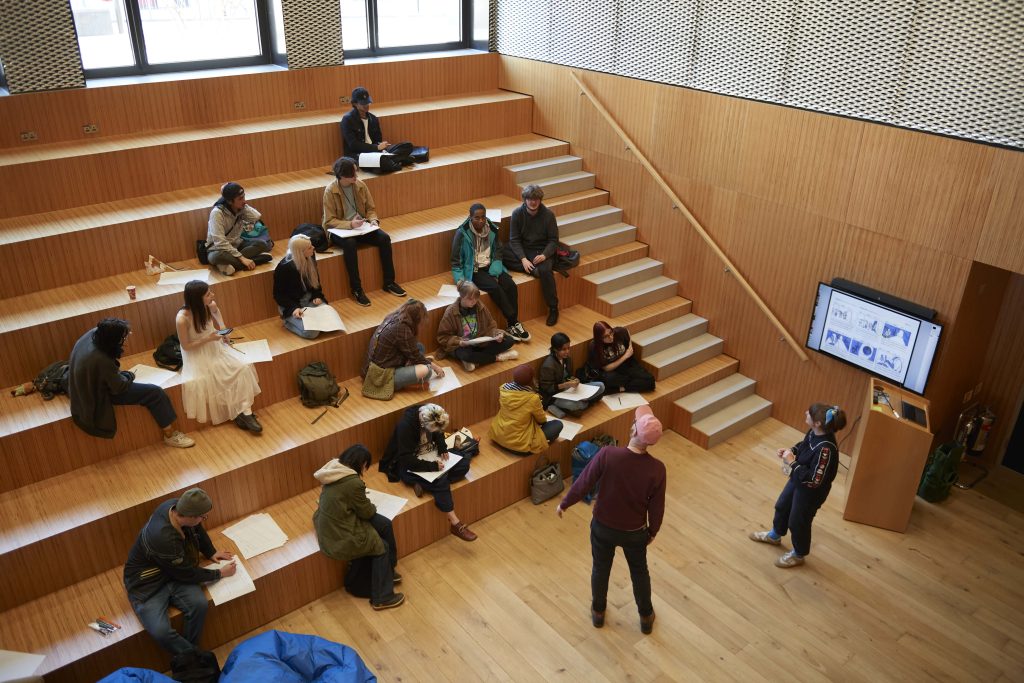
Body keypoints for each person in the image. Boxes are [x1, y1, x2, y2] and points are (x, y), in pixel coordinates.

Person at [555, 405, 666, 634]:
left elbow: (584, 482)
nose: (634, 423)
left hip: (603, 528)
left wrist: (565, 503)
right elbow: (657, 506)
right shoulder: (657, 469)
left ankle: (598, 612)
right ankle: (645, 616)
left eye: (636, 422)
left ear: (635, 432)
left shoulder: (608, 454)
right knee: (639, 572)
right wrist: (653, 531)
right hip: (635, 532)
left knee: (600, 568)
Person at [123, 488, 237, 656]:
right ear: (191, 516)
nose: (203, 520)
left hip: (173, 573)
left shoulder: (176, 506)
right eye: (202, 517)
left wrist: (210, 551)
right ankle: (193, 658)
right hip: (147, 584)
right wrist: (219, 574)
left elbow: (197, 529)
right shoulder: (163, 538)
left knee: (199, 604)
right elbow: (187, 574)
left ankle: (190, 657)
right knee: (160, 631)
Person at [68, 317, 195, 448]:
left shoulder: (93, 334)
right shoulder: (101, 360)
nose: (125, 339)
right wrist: (129, 375)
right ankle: (170, 435)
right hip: (94, 394)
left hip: (82, 384)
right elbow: (119, 387)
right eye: (122, 338)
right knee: (155, 393)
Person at [749, 403, 847, 568]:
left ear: (817, 423)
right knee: (782, 506)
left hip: (811, 492)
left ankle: (799, 554)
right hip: (798, 480)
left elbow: (814, 480)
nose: (805, 413)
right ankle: (775, 535)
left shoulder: (826, 450)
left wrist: (792, 463)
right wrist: (792, 450)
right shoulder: (813, 432)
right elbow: (804, 445)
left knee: (798, 521)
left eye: (809, 414)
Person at [314, 444, 405, 610]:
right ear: (361, 463)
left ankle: (388, 572)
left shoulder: (334, 470)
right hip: (339, 532)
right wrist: (369, 504)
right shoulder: (352, 482)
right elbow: (367, 513)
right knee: (381, 546)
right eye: (366, 465)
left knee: (385, 524)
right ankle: (382, 598)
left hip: (332, 524)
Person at [379, 404, 477, 542]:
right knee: (441, 481)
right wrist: (432, 467)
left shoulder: (432, 414)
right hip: (410, 464)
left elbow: (438, 433)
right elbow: (406, 460)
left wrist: (442, 447)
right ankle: (455, 523)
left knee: (463, 465)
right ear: (423, 425)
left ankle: (422, 484)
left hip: (430, 456)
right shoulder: (406, 426)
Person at [176, 280, 262, 433]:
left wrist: (222, 329)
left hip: (215, 346)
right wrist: (208, 338)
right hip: (198, 353)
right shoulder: (182, 318)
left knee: (243, 366)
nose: (212, 296)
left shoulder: (209, 305)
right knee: (219, 376)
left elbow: (216, 311)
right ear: (197, 298)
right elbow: (186, 346)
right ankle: (243, 415)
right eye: (208, 294)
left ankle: (244, 414)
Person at [323, 155, 406, 306]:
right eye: (353, 174)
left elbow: (370, 209)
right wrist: (350, 225)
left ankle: (389, 282)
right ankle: (357, 289)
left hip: (361, 227)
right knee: (350, 244)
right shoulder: (330, 191)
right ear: (342, 176)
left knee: (384, 238)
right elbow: (329, 221)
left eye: (356, 172)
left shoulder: (360, 185)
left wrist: (373, 220)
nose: (356, 176)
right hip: (340, 230)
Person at [451, 202, 530, 342]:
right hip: (474, 270)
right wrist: (460, 279)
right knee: (495, 288)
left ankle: (512, 325)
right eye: (477, 218)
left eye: (483, 217)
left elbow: (498, 249)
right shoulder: (461, 233)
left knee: (511, 285)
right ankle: (514, 321)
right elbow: (455, 260)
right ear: (470, 218)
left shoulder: (492, 228)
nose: (481, 220)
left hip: (491, 265)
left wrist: (496, 266)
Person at [505, 184, 560, 326]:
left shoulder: (548, 215)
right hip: (525, 249)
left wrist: (545, 255)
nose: (533, 202)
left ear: (540, 200)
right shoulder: (517, 213)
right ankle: (531, 269)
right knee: (502, 252)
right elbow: (514, 239)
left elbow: (553, 241)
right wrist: (523, 259)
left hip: (541, 251)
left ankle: (553, 308)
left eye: (536, 199)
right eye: (529, 199)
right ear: (524, 200)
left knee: (545, 270)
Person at [362, 299, 444, 393]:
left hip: (375, 366)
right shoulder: (402, 329)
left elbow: (413, 350)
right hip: (379, 375)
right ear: (415, 319)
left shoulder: (394, 317)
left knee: (420, 347)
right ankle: (405, 382)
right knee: (427, 372)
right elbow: (416, 356)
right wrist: (435, 367)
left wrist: (424, 361)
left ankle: (412, 370)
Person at [436, 280, 519, 373]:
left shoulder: (480, 306)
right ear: (462, 297)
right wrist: (459, 342)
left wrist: (497, 335)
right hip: (463, 346)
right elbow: (443, 337)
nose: (474, 301)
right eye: (470, 299)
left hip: (480, 343)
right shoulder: (451, 312)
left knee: (509, 340)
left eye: (476, 298)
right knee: (466, 355)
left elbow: (491, 325)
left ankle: (475, 360)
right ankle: (497, 357)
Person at [489, 363, 562, 454]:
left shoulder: (503, 389)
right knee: (558, 424)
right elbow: (541, 421)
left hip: (498, 436)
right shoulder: (532, 398)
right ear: (531, 380)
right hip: (520, 445)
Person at [205, 182, 273, 276]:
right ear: (229, 201)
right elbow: (220, 242)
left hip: (237, 245)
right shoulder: (217, 213)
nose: (244, 201)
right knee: (216, 257)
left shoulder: (240, 208)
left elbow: (256, 216)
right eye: (240, 199)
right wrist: (242, 258)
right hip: (218, 249)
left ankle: (228, 265)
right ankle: (255, 261)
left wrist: (243, 206)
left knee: (262, 244)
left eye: (244, 197)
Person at [273, 234, 328, 339]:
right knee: (312, 333)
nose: (313, 248)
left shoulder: (310, 256)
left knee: (328, 320)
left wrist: (317, 296)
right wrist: (294, 308)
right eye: (310, 247)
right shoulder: (284, 268)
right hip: (291, 305)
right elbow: (279, 295)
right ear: (301, 251)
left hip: (308, 299)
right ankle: (287, 322)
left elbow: (316, 282)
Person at [538, 332, 605, 418]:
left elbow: (569, 376)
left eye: (568, 348)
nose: (567, 352)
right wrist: (566, 385)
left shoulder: (568, 359)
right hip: (555, 396)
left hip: (569, 390)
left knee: (601, 386)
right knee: (578, 405)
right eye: (563, 349)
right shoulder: (548, 365)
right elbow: (547, 388)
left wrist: (575, 380)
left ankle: (582, 403)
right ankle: (581, 404)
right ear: (555, 349)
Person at [588, 321, 655, 394]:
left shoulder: (618, 332)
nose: (610, 337)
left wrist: (630, 345)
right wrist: (626, 355)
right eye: (605, 336)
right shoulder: (594, 346)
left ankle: (620, 389)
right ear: (599, 338)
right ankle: (632, 383)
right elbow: (606, 368)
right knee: (610, 379)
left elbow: (626, 330)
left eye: (611, 332)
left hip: (627, 365)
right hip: (612, 370)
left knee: (650, 381)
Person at [340, 86, 390, 156]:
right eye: (363, 103)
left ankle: (390, 159)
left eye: (367, 102)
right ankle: (391, 160)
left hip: (374, 151)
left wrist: (382, 147)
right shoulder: (347, 120)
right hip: (359, 154)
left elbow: (378, 139)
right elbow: (353, 145)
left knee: (406, 146)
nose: (366, 105)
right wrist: (376, 148)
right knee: (384, 161)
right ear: (355, 104)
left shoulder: (373, 118)